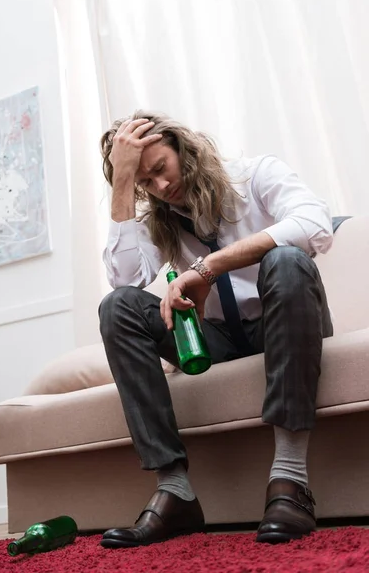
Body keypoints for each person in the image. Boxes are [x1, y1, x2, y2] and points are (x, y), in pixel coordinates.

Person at [98, 111, 333, 548]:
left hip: (287, 321)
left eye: (160, 168)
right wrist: (122, 182)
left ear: (181, 145)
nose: (161, 187)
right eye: (145, 182)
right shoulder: (160, 219)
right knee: (118, 307)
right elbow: (124, 279)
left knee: (284, 259)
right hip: (221, 339)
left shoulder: (254, 176)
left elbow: (315, 226)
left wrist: (207, 268)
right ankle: (175, 491)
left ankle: (290, 481)